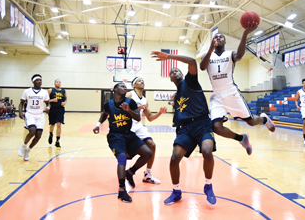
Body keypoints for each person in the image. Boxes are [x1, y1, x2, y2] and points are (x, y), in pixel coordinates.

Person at [151, 50, 217, 206]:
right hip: (186, 128)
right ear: (170, 78)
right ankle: (176, 191)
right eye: (172, 72)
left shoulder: (190, 82)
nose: (175, 71)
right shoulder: (177, 95)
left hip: (202, 123)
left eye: (177, 70)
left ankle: (208, 185)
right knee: (174, 158)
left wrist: (169, 57)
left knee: (207, 151)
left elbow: (193, 62)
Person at [199, 29, 276, 155]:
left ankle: (263, 119)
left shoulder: (230, 54)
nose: (218, 38)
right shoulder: (207, 55)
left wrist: (244, 34)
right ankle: (241, 138)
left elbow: (239, 56)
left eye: (221, 37)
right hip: (216, 95)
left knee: (251, 122)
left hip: (231, 92)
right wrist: (210, 49)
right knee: (216, 128)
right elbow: (202, 67)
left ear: (225, 41)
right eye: (216, 37)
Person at [93, 83, 153, 203]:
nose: (125, 88)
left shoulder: (130, 102)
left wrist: (128, 110)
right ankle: (121, 190)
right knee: (122, 159)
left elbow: (137, 118)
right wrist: (98, 125)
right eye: (122, 86)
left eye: (126, 87)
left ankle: (130, 172)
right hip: (115, 136)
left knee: (148, 153)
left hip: (128, 134)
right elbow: (104, 114)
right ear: (115, 89)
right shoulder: (108, 104)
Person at [126, 77, 167, 184]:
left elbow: (150, 117)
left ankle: (148, 174)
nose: (142, 81)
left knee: (152, 145)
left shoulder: (145, 100)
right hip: (128, 126)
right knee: (127, 154)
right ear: (134, 85)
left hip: (138, 126)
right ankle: (125, 173)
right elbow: (122, 107)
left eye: (143, 80)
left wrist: (159, 113)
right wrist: (137, 107)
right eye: (139, 81)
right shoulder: (130, 94)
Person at [18, 74, 50, 161]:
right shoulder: (27, 91)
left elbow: (48, 103)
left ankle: (28, 150)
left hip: (40, 115)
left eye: (40, 80)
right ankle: (23, 145)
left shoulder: (44, 92)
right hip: (30, 114)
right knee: (32, 131)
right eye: (37, 80)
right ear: (33, 82)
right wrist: (20, 112)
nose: (39, 81)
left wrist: (48, 107)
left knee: (38, 135)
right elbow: (21, 103)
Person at [48, 79, 67, 148]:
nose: (58, 83)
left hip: (60, 109)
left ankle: (57, 141)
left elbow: (66, 99)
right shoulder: (51, 90)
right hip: (52, 109)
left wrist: (65, 102)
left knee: (59, 124)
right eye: (57, 82)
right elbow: (46, 100)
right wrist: (52, 100)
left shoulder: (63, 91)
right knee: (52, 124)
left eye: (59, 82)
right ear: (54, 83)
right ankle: (51, 134)